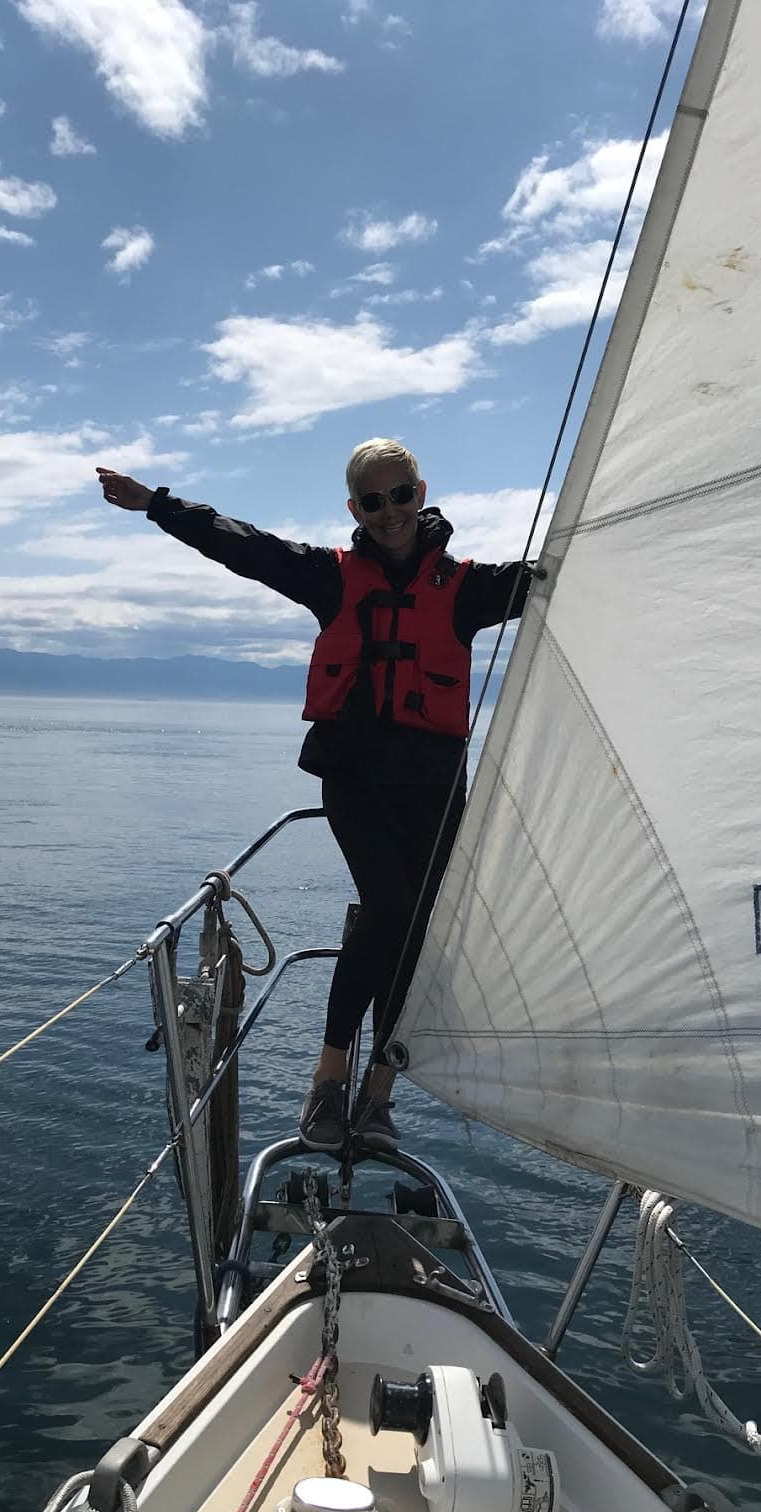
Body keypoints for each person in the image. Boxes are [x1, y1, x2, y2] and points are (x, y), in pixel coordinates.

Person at [96, 439, 534, 1154]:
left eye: (401, 496)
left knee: (408, 933)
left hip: (432, 785)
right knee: (392, 912)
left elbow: (559, 580)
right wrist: (157, 505)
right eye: (373, 500)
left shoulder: (468, 586)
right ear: (353, 508)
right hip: (355, 775)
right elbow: (242, 545)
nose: (389, 513)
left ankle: (377, 1098)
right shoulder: (330, 578)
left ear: (421, 493)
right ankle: (329, 1079)